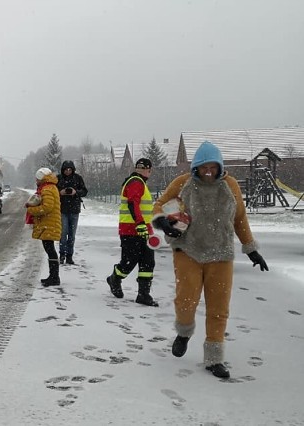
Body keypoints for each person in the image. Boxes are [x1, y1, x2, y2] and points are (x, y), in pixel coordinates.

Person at [151, 141, 269, 379]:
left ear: (219, 167)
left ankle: (214, 358)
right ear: (196, 166)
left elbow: (240, 219)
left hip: (221, 253)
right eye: (204, 166)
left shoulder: (230, 185)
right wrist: (162, 220)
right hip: (188, 250)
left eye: (213, 167)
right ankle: (184, 332)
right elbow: (160, 204)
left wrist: (251, 249)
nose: (208, 171)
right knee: (186, 301)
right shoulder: (183, 182)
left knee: (219, 308)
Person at [105, 158, 158, 306]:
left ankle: (143, 294)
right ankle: (114, 279)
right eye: (149, 170)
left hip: (144, 230)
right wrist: (140, 224)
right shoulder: (136, 182)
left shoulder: (139, 182)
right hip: (131, 230)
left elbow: (140, 206)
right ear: (148, 170)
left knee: (148, 262)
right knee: (129, 262)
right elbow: (132, 203)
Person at [26, 167, 62, 286]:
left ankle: (54, 277)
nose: (36, 181)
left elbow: (47, 207)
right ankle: (53, 276)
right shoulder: (51, 187)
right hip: (50, 223)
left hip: (48, 224)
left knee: (50, 250)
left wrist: (31, 209)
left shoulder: (47, 189)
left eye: (37, 179)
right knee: (50, 249)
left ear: (42, 178)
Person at [56, 160, 88, 265]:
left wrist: (76, 192)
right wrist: (60, 192)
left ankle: (69, 256)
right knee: (63, 233)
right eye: (66, 169)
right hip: (62, 210)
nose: (68, 171)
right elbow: (53, 191)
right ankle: (62, 255)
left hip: (74, 210)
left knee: (72, 235)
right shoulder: (58, 179)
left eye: (70, 169)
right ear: (63, 170)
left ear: (73, 170)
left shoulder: (78, 178)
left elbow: (85, 191)